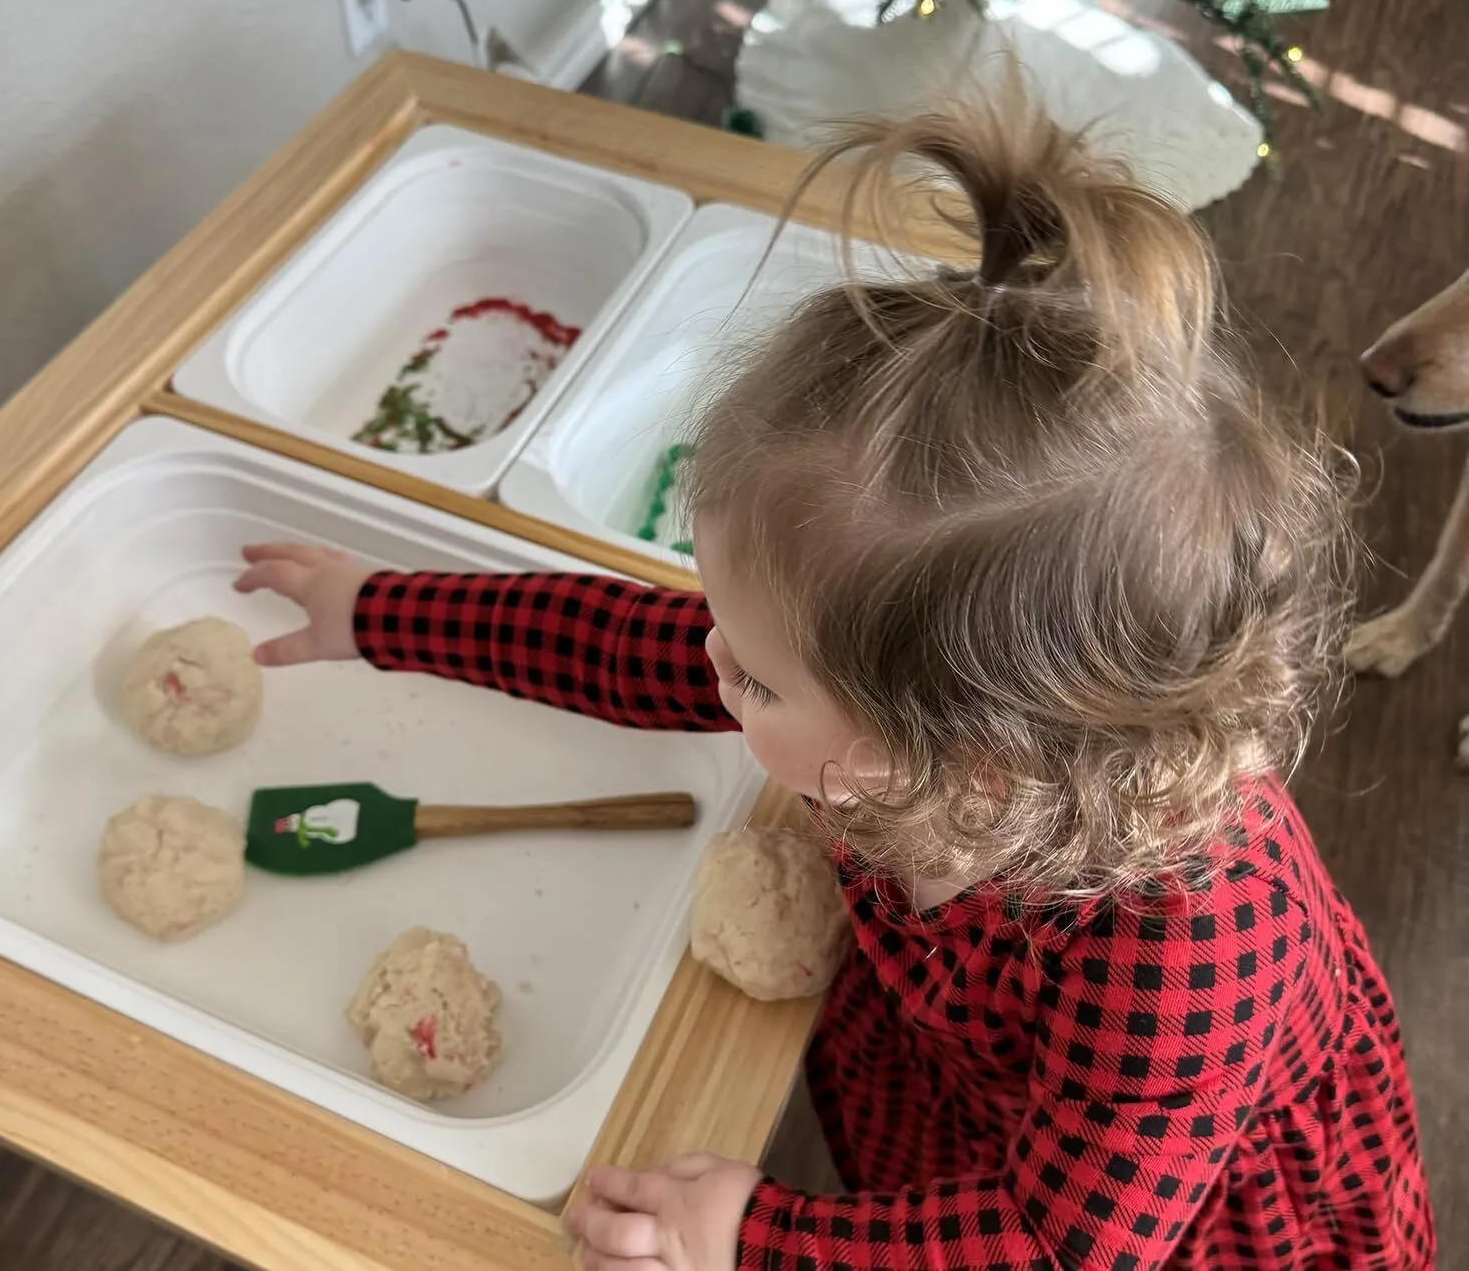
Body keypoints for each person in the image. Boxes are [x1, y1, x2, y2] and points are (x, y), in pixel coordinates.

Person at [235, 101, 1434, 1269]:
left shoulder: (1189, 948)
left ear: (958, 760)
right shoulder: (924, 714)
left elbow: (1049, 1244)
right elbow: (615, 644)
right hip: (972, 1069)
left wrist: (752, 1237)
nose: (709, 666)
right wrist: (380, 611)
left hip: (1183, 1219)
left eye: (751, 678)